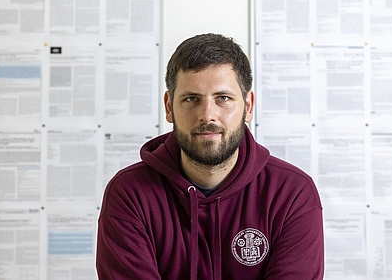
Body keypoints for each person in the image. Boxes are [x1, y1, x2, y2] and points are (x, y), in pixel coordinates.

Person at [96, 33, 324, 279]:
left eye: (223, 98)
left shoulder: (292, 194)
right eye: (191, 99)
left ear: (248, 106)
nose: (207, 115)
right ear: (169, 107)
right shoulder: (130, 194)